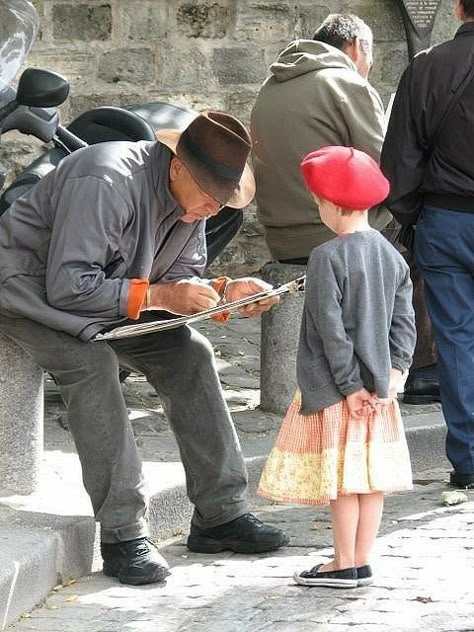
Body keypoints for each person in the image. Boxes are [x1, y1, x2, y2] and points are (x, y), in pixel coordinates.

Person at [0, 110, 289, 586]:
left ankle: (221, 514)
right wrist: (157, 295)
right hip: (28, 293)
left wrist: (223, 291)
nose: (213, 211)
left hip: (109, 297)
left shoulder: (194, 203)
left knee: (189, 352)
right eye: (210, 198)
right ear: (177, 167)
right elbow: (69, 286)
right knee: (91, 364)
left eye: (222, 202)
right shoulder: (107, 179)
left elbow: (179, 278)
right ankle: (122, 533)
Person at [251, 12, 438, 405]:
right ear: (356, 48)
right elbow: (383, 167)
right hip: (331, 231)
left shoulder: (270, 86)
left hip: (279, 235)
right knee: (425, 239)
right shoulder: (346, 82)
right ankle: (418, 372)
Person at [258, 146, 416, 588]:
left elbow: (331, 332)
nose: (317, 208)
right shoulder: (392, 255)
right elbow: (405, 323)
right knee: (371, 480)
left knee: (345, 481)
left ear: (332, 204)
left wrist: (350, 387)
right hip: (382, 394)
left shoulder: (327, 257)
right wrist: (393, 378)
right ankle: (362, 559)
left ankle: (342, 561)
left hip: (338, 391)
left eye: (318, 201)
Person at [380, 0, 474, 489]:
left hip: (446, 218)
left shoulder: (426, 68)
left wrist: (415, 218)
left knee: (456, 340)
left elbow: (398, 161)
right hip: (444, 216)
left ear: (459, 9)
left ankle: (470, 458)